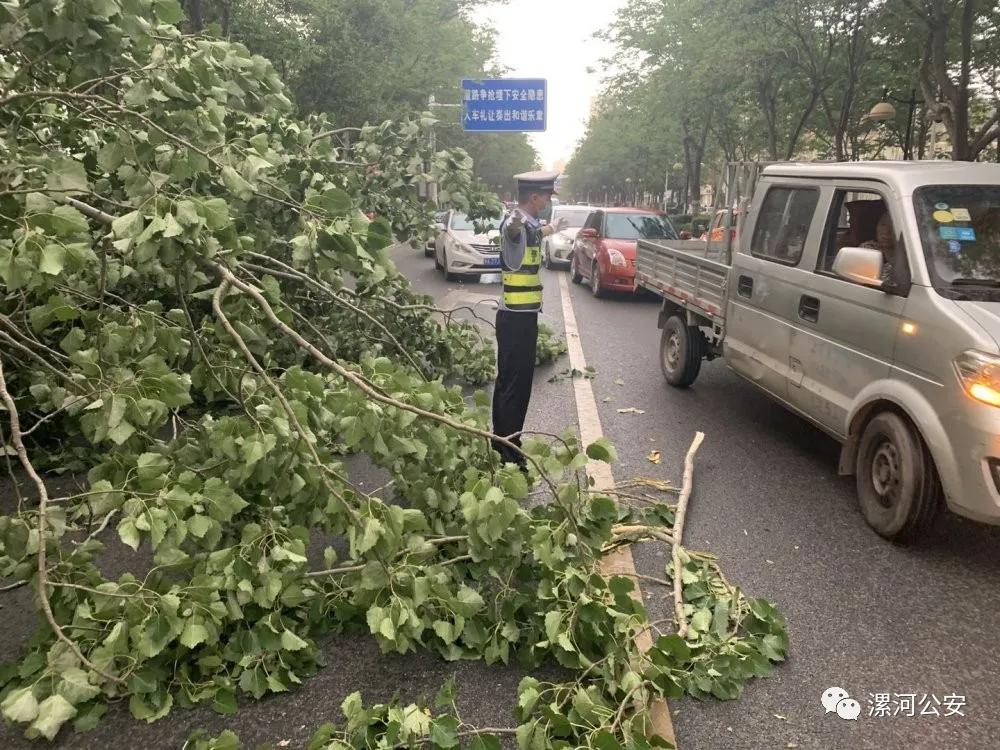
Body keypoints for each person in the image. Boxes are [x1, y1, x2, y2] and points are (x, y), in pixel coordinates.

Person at [491, 171, 568, 468]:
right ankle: (510, 450)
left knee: (508, 381)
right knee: (516, 386)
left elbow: (534, 232)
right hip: (516, 320)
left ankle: (500, 442)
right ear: (534, 197)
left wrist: (551, 228)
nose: (549, 201)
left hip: (516, 318)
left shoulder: (530, 226)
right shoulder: (516, 225)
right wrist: (512, 224)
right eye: (547, 196)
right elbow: (513, 233)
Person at [861, 210, 896, 283]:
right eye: (883, 225)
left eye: (893, 225)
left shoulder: (909, 256)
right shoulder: (867, 249)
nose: (886, 231)